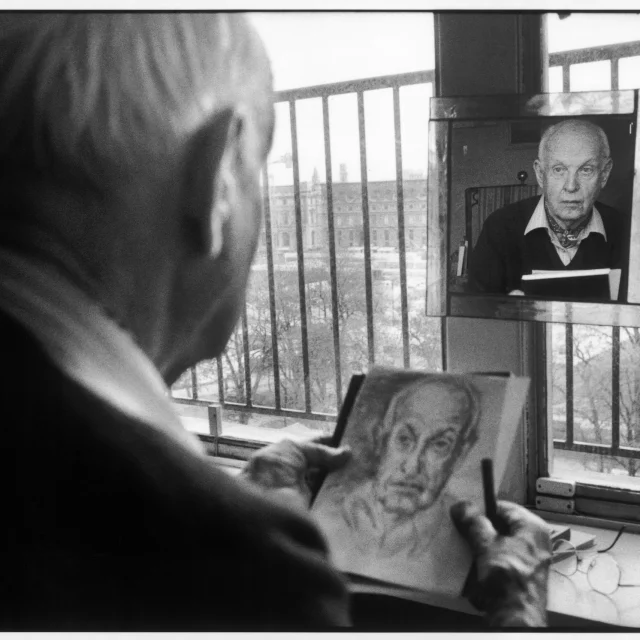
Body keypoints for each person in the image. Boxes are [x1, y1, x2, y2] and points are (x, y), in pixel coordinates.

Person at [0, 13, 551, 630]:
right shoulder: (233, 565)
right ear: (217, 178)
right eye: (259, 170)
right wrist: (517, 609)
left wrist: (230, 498)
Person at [468, 119, 627, 298]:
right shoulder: (499, 227)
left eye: (586, 170)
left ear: (604, 174)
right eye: (559, 170)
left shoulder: (628, 232)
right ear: (540, 174)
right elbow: (477, 313)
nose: (571, 186)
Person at [340, 376, 480, 558]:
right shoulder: (337, 508)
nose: (412, 467)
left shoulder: (462, 533)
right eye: (404, 439)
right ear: (381, 439)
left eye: (440, 445)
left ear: (460, 455)